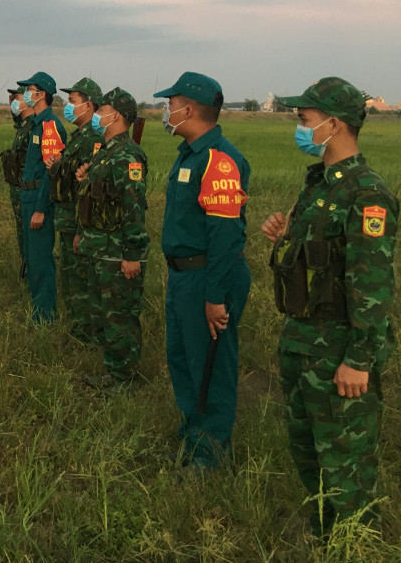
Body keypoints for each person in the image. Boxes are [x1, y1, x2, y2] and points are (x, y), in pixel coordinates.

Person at [260, 77, 397, 535]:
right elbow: (322, 261)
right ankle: (326, 542)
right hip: (302, 345)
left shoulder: (366, 193)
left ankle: (356, 545)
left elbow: (372, 286)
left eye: (305, 119)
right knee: (310, 461)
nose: (298, 127)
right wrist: (287, 235)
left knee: (347, 473)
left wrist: (359, 360)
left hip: (338, 353)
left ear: (334, 125)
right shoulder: (318, 186)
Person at [154, 71, 250, 469]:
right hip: (184, 276)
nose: (166, 111)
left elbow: (226, 238)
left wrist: (214, 297)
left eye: (171, 104)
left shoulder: (220, 161)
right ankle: (193, 436)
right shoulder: (189, 154)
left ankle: (210, 455)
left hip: (208, 277)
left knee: (211, 365)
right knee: (183, 358)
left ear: (189, 109)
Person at [74, 88, 149, 390]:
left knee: (119, 317)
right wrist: (82, 232)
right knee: (102, 315)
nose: (95, 115)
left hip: (116, 251)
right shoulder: (105, 153)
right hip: (97, 246)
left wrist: (132, 254)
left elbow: (133, 209)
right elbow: (95, 200)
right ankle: (113, 370)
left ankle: (125, 378)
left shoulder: (128, 155)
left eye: (100, 110)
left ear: (115, 115)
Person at [49, 77, 104, 342]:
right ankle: (77, 328)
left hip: (78, 221)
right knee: (70, 279)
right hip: (67, 219)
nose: (67, 107)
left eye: (72, 102)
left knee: (80, 281)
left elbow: (87, 186)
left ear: (89, 106)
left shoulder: (93, 139)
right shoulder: (78, 137)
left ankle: (85, 333)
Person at [15, 72, 66, 323]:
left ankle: (44, 318)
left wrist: (41, 208)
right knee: (32, 261)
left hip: (37, 200)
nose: (25, 93)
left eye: (30, 89)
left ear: (42, 94)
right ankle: (38, 312)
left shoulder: (49, 126)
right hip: (27, 197)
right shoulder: (36, 124)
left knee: (41, 261)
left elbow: (51, 173)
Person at [0, 86, 34, 279]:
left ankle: (30, 270)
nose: (14, 100)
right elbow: (18, 121)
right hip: (19, 189)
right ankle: (25, 265)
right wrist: (12, 105)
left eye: (18, 97)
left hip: (26, 190)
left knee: (28, 233)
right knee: (22, 231)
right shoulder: (24, 126)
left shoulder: (33, 127)